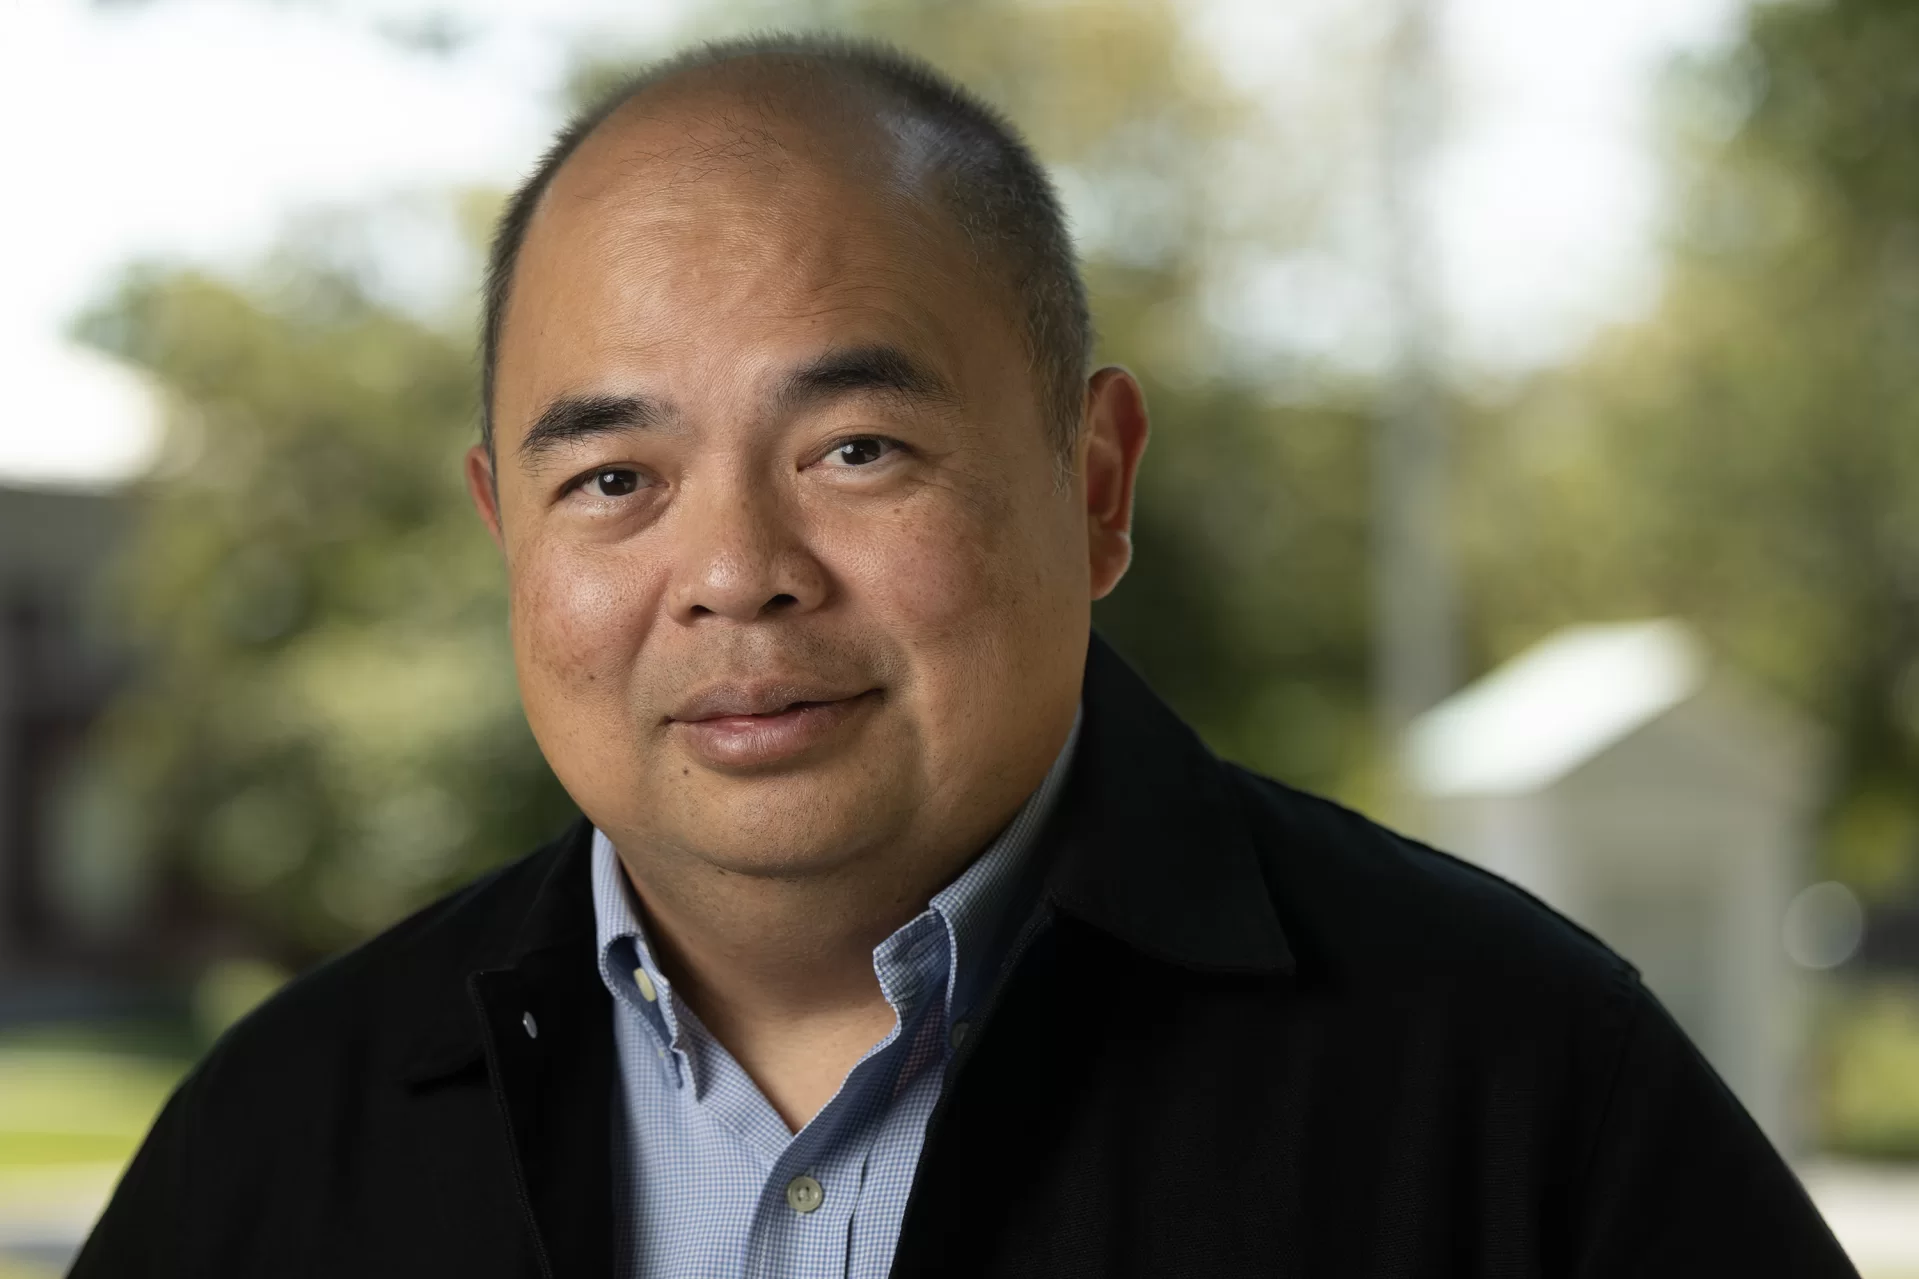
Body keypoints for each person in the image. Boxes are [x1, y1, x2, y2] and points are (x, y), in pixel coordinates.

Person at [73, 34, 1856, 1279]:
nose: (738, 577)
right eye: (613, 479)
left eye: (856, 450)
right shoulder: (274, 1143)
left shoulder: (1514, 1087)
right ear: (504, 533)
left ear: (1094, 486)